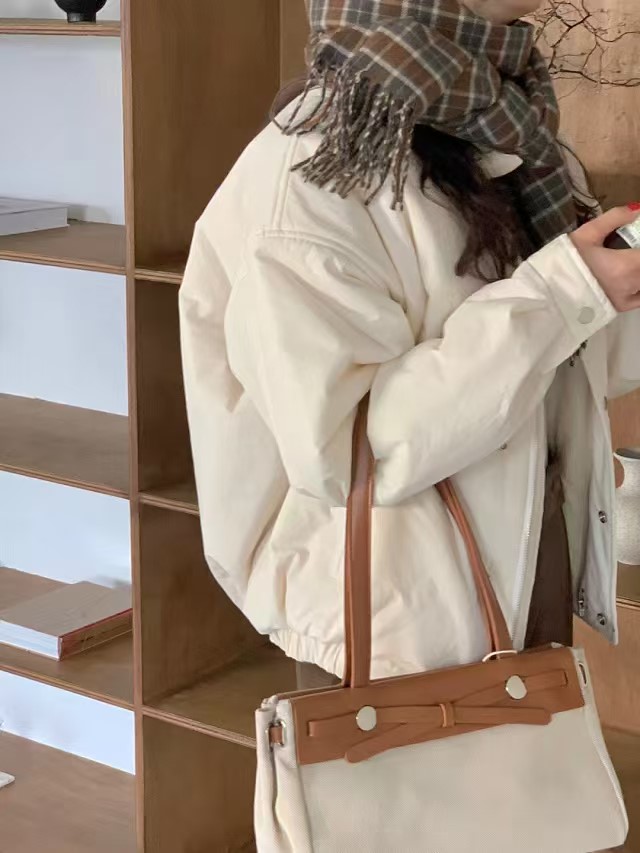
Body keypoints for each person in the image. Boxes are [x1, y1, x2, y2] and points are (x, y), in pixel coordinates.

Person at [179, 0, 640, 688]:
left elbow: (562, 373)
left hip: (523, 577)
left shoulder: (507, 131)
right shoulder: (320, 164)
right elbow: (352, 451)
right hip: (393, 639)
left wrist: (599, 292)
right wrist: (560, 298)